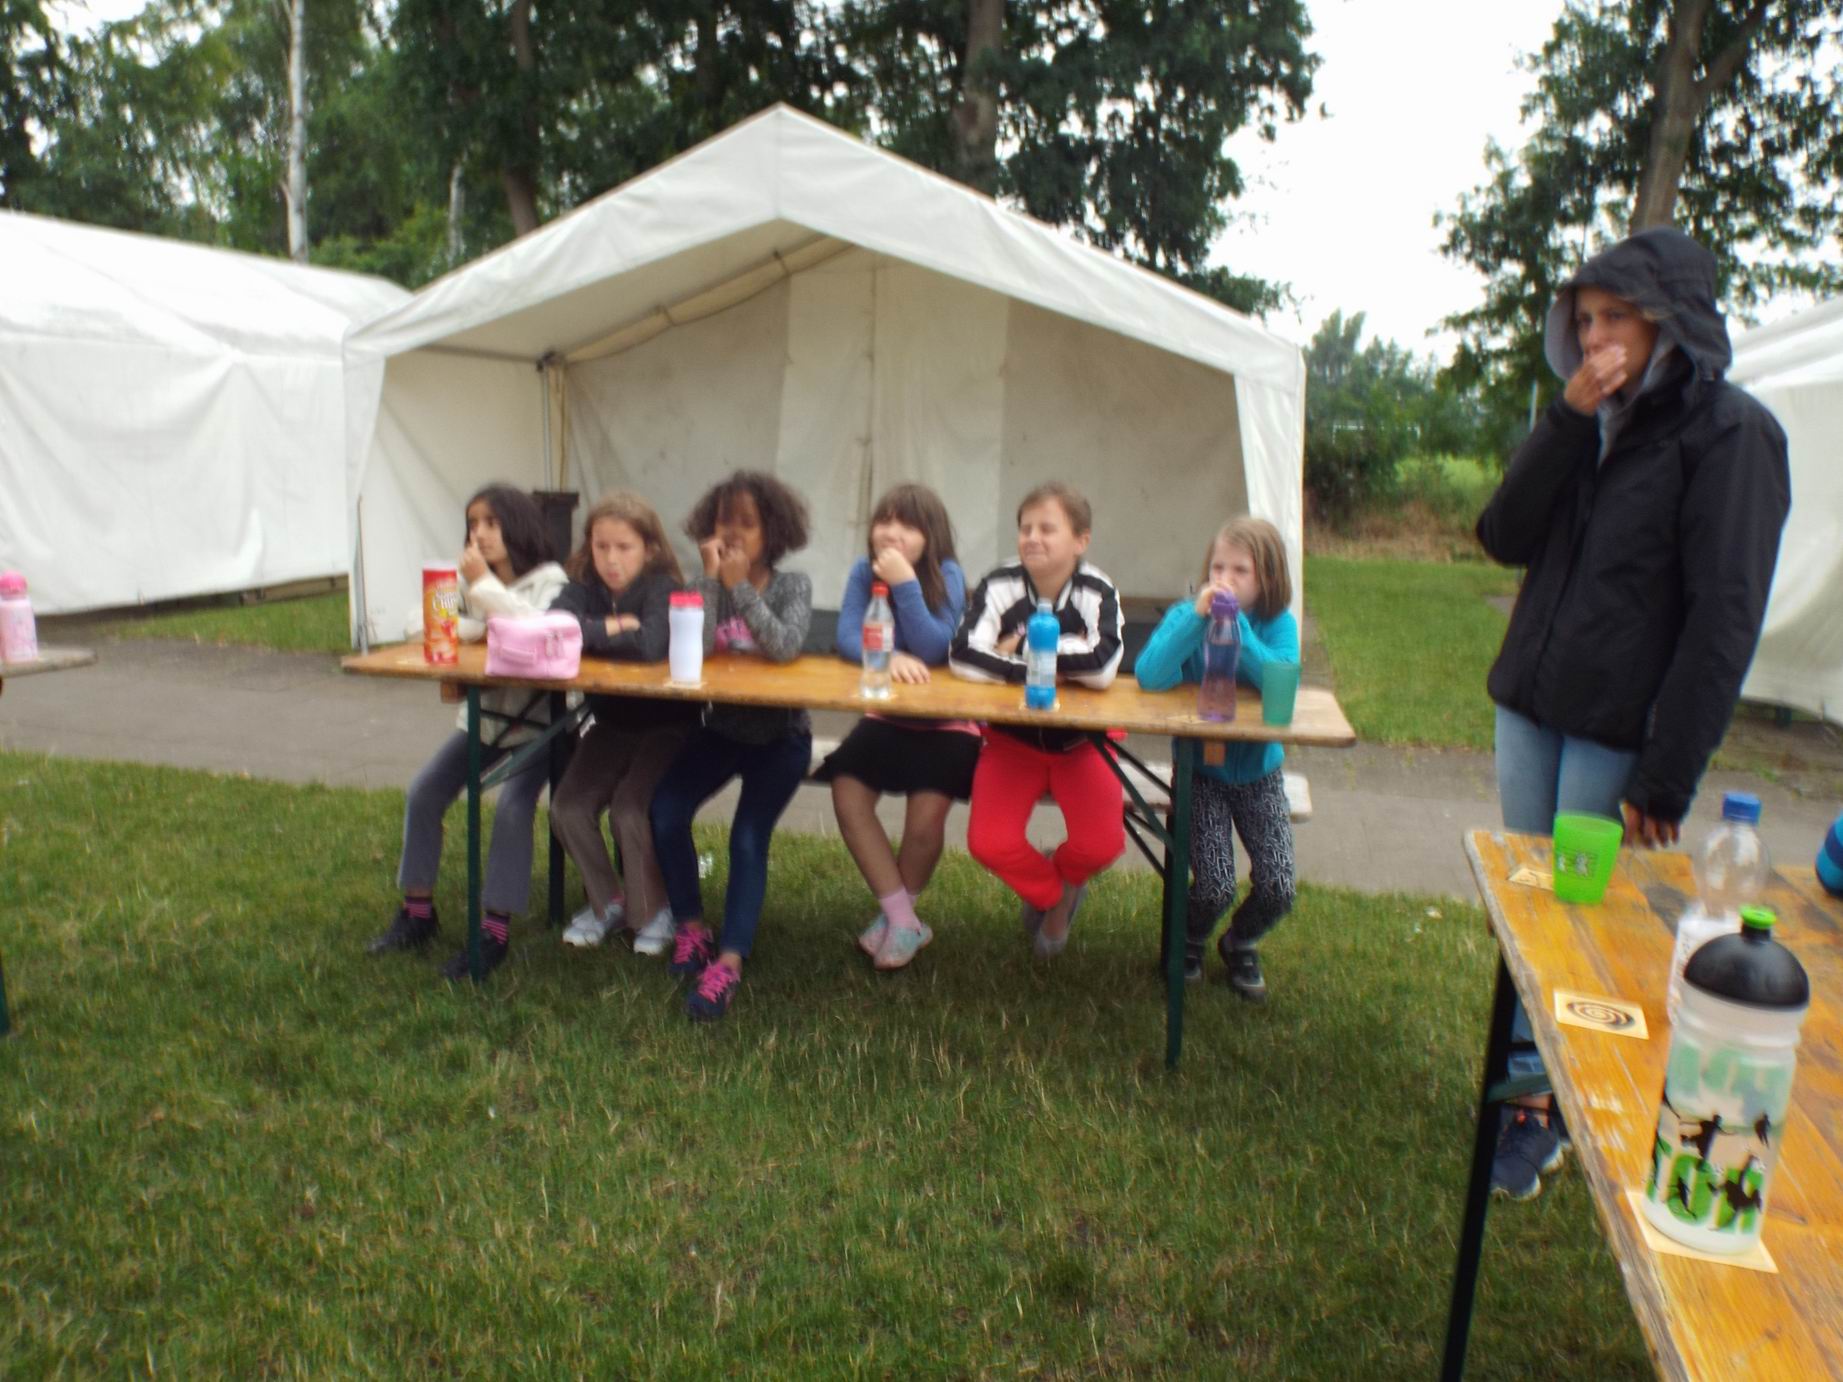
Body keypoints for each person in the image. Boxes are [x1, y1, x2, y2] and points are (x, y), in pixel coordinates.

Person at [1476, 225, 1791, 1199]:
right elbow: (1502, 534)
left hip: (1615, 733)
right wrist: (1566, 424)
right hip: (1531, 705)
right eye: (1583, 320)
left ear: (1669, 323)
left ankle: (1547, 1112)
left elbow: (1723, 616)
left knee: (1583, 921)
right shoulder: (1587, 422)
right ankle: (1525, 1086)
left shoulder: (1730, 432)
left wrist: (1667, 772)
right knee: (1529, 905)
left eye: (1616, 316)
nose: (1595, 337)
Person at [368, 484, 569, 980]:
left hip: (544, 726)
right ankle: (418, 912)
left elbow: (536, 631)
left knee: (512, 809)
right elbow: (418, 623)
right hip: (483, 722)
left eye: (491, 523)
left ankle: (494, 931)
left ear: (517, 526)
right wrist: (477, 624)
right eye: (472, 524)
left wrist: (481, 589)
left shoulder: (551, 580)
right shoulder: (464, 578)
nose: (479, 534)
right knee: (424, 792)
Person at [649, 471, 814, 1021]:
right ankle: (691, 927)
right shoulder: (709, 582)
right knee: (666, 809)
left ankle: (729, 961)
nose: (734, 533)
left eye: (748, 523)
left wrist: (742, 586)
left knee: (747, 837)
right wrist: (710, 581)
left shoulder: (793, 586)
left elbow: (784, 647)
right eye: (724, 521)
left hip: (781, 736)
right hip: (721, 729)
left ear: (774, 531)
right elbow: (694, 651)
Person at [950, 481, 1124, 958]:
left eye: (1047, 528)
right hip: (1012, 743)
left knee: (1102, 845)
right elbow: (962, 655)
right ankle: (1056, 898)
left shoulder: (1097, 588)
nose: (1032, 537)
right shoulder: (999, 582)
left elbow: (1103, 666)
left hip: (1082, 743)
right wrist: (1045, 667)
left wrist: (1022, 647)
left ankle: (1059, 889)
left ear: (1080, 540)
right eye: (1025, 528)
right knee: (989, 843)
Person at [1134, 516, 1299, 999]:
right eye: (1217, 568)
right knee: (1214, 885)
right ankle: (1188, 938)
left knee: (1279, 886)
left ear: (1267, 578)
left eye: (1240, 571)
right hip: (1200, 772)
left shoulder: (1277, 624)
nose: (1225, 579)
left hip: (1259, 774)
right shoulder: (1188, 616)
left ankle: (1240, 940)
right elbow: (1150, 675)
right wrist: (1195, 620)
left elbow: (1279, 679)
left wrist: (1236, 626)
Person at [816, 483, 975, 971]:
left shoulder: (948, 575)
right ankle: (903, 919)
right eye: (884, 521)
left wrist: (906, 584)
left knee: (924, 822)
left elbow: (935, 647)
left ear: (932, 535)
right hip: (886, 718)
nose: (892, 532)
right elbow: (846, 636)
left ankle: (896, 918)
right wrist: (888, 656)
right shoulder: (863, 572)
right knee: (847, 791)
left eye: (908, 525)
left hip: (949, 724)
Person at [547, 492, 694, 956]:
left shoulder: (662, 587)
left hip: (668, 724)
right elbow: (555, 628)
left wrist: (586, 633)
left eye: (624, 547)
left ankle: (653, 910)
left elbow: (650, 645)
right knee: (567, 808)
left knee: (631, 808)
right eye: (601, 546)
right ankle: (608, 902)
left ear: (649, 549)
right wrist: (614, 627)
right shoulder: (583, 585)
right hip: (611, 722)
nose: (611, 559)